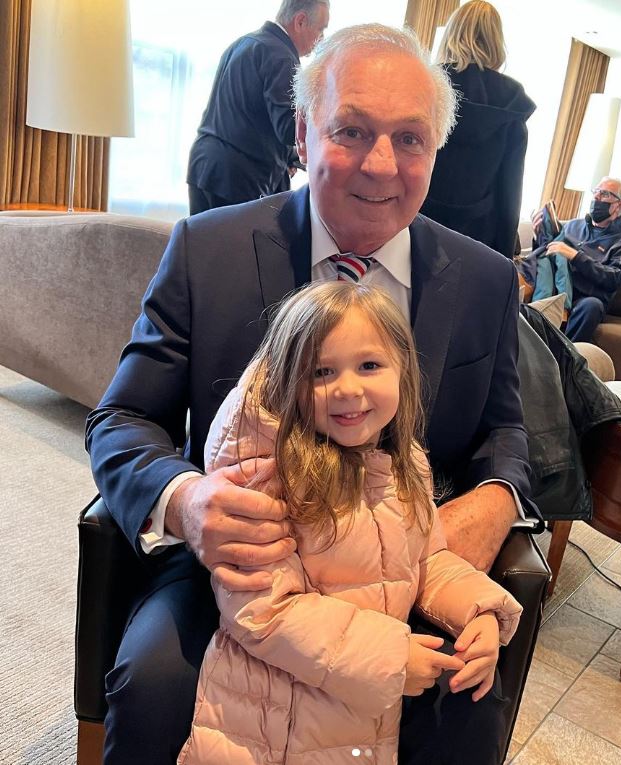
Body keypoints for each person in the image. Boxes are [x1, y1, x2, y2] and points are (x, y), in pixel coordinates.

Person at [87, 23, 537, 765]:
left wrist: (497, 494)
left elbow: (507, 431)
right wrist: (186, 502)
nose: (381, 164)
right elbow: (122, 417)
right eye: (352, 131)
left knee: (467, 700)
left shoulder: (486, 279)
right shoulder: (208, 248)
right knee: (154, 681)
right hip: (242, 571)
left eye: (410, 139)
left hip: (401, 567)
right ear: (302, 132)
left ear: (436, 149)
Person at [177, 281, 523, 764]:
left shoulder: (407, 465)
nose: (347, 388)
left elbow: (426, 560)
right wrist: (390, 658)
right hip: (274, 715)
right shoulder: (268, 476)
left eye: (369, 366)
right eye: (321, 371)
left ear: (402, 371)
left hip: (361, 703)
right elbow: (262, 609)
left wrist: (478, 611)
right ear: (289, 382)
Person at [186, 0, 330, 214]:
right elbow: (290, 129)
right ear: (300, 21)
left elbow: (247, 117)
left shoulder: (243, 43)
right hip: (237, 177)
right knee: (238, 247)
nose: (321, 39)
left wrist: (287, 158)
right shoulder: (282, 56)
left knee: (201, 245)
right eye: (321, 29)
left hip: (203, 165)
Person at [419, 1, 535, 259]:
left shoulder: (425, 87)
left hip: (414, 223)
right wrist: (505, 259)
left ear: (451, 33)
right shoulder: (511, 107)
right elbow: (509, 196)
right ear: (497, 42)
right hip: (477, 241)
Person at [521, 176, 621, 342]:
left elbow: (616, 278)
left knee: (592, 306)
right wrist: (538, 235)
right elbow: (548, 258)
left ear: (620, 205)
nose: (597, 198)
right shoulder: (573, 225)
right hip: (556, 288)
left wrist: (575, 256)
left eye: (604, 194)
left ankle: (563, 358)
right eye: (595, 192)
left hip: (584, 298)